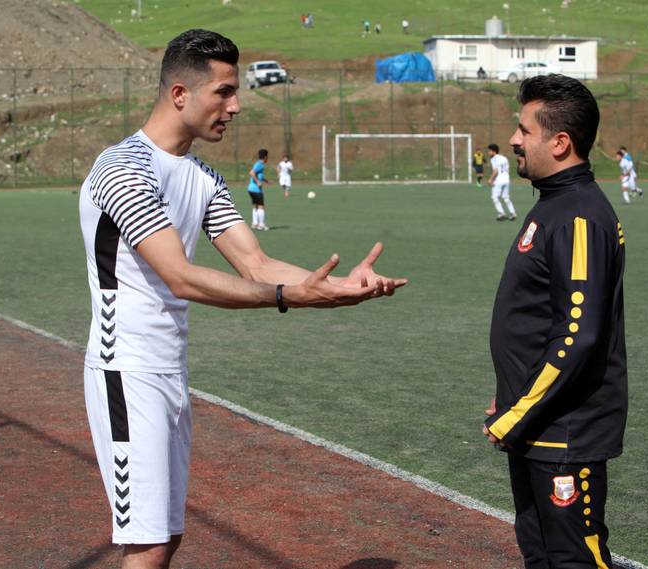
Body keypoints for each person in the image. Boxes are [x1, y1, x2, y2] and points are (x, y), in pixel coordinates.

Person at [78, 29, 407, 569]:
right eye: (224, 92)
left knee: (167, 536)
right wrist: (291, 296)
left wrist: (337, 287)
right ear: (180, 94)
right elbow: (180, 277)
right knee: (149, 542)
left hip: (169, 369)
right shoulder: (124, 169)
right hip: (127, 370)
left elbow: (255, 262)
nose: (235, 106)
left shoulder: (203, 177)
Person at [483, 74, 627, 569]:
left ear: (560, 142)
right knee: (540, 554)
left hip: (565, 431)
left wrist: (520, 410)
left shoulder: (578, 216)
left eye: (524, 130)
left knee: (574, 559)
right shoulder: (554, 205)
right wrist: (514, 396)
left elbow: (578, 334)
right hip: (537, 424)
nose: (514, 140)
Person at [487, 143, 516, 221]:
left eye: (489, 151)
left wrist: (491, 179)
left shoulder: (493, 159)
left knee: (495, 197)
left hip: (499, 180)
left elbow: (495, 171)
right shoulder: (504, 158)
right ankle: (513, 213)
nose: (488, 153)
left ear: (494, 151)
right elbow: (507, 169)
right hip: (506, 180)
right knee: (506, 197)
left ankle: (501, 213)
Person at [248, 148, 270, 229]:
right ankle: (261, 225)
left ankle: (254, 223)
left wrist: (266, 181)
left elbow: (258, 175)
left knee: (256, 206)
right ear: (265, 157)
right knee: (261, 206)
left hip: (251, 189)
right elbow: (251, 173)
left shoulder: (258, 164)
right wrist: (258, 182)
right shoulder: (260, 164)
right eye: (267, 156)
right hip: (256, 189)